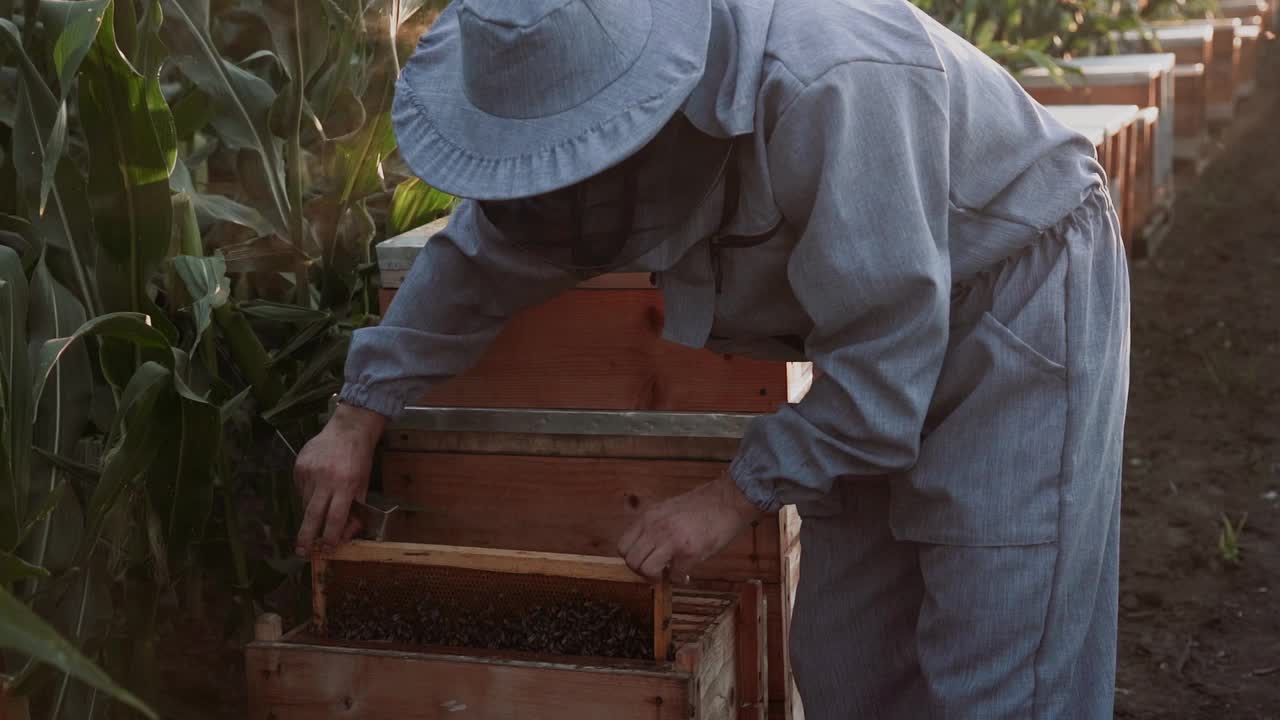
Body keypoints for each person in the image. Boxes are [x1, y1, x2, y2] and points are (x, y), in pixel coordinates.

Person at [292, 0, 1131, 716]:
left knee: (999, 663)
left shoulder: (834, 80)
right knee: (851, 660)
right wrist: (357, 413)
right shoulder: (585, 107)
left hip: (1009, 301)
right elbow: (483, 256)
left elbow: (883, 377)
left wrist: (731, 496)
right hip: (869, 331)